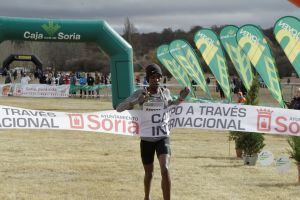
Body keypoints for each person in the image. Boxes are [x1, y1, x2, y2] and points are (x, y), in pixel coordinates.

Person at [116, 63, 190, 200]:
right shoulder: (140, 93)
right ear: (148, 79)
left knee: (165, 169)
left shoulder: (165, 93)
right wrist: (136, 101)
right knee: (149, 173)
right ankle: (146, 197)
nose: (156, 80)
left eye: (158, 77)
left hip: (162, 136)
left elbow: (171, 105)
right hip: (146, 139)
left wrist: (181, 98)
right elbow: (119, 108)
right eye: (152, 77)